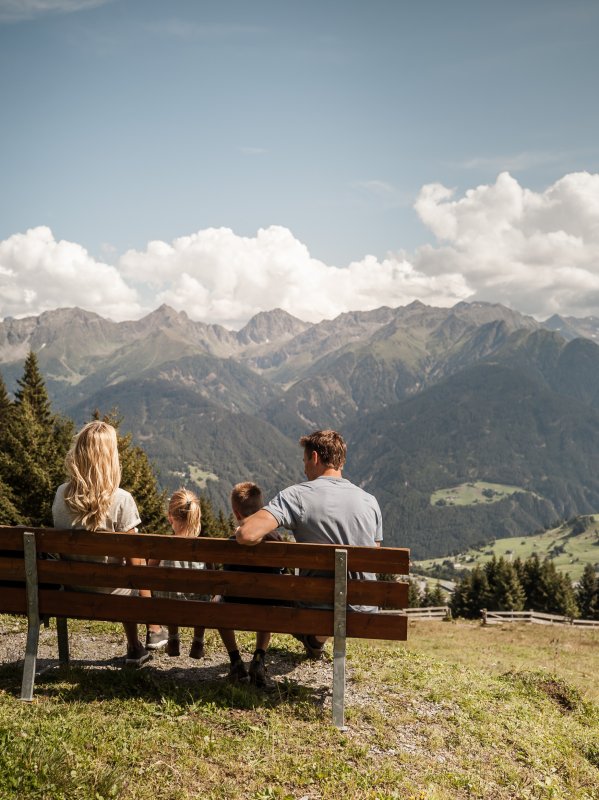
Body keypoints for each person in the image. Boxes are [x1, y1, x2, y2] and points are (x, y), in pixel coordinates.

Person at [236, 429, 382, 659]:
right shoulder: (370, 501)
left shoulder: (296, 496)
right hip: (363, 607)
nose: (304, 468)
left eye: (304, 461)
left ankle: (313, 638)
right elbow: (375, 556)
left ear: (314, 457)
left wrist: (241, 528)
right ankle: (315, 641)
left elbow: (247, 534)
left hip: (314, 606)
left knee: (278, 585)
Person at [51, 420, 158, 667]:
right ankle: (136, 645)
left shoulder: (61, 494)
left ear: (78, 454)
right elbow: (135, 564)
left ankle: (135, 646)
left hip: (71, 591)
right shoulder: (121, 499)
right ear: (110, 458)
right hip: (114, 595)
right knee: (133, 577)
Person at [219, 482, 283, 686]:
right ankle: (259, 658)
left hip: (235, 606)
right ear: (262, 510)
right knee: (269, 595)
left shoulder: (231, 543)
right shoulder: (276, 540)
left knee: (217, 601)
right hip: (268, 608)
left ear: (236, 513)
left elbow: (226, 578)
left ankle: (236, 661)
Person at [148, 489, 208, 659]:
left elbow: (148, 570)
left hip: (167, 605)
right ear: (196, 517)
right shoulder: (204, 548)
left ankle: (173, 639)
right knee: (203, 593)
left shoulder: (163, 546)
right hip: (197, 605)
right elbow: (211, 574)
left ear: (170, 517)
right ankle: (198, 642)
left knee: (169, 592)